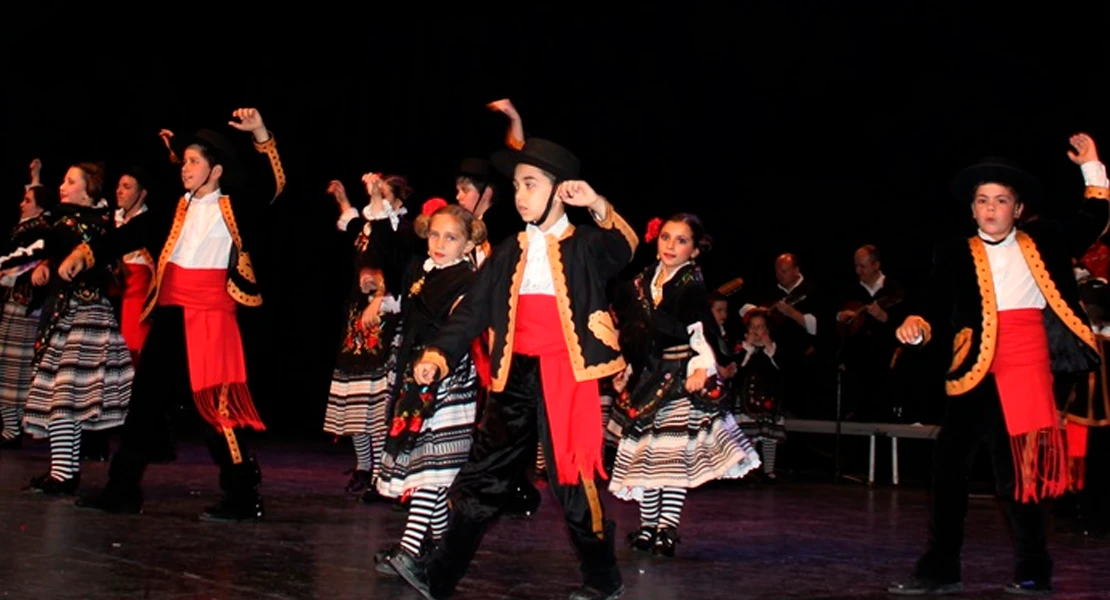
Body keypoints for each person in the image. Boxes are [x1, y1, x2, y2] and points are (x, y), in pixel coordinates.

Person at [390, 138, 638, 600]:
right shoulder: (509, 251)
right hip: (515, 374)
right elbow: (473, 311)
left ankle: (603, 578)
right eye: (517, 185)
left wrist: (598, 204)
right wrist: (438, 355)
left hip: (566, 373)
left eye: (531, 184)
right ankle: (437, 575)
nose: (520, 195)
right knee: (482, 477)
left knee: (572, 481)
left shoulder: (585, 244)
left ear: (559, 190)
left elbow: (623, 249)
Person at [889, 133, 1108, 595]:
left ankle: (1033, 570)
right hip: (972, 371)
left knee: (1022, 479)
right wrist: (917, 324)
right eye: (982, 200)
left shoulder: (1044, 240)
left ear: (1018, 208)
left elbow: (1093, 220)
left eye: (1001, 200)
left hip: (1026, 367)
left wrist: (1092, 167)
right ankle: (940, 568)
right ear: (972, 209)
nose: (990, 208)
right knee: (949, 473)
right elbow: (931, 303)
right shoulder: (953, 252)